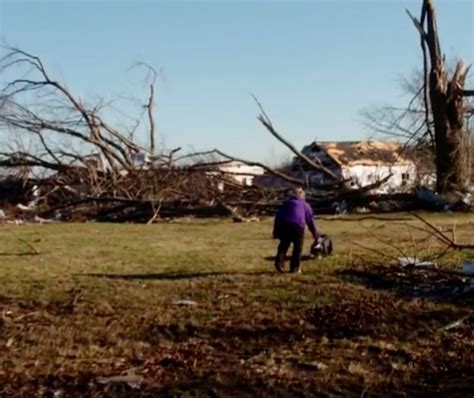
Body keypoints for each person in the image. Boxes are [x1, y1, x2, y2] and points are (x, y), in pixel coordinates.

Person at [273, 186, 319, 274]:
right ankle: (294, 268)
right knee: (298, 247)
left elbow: (278, 217)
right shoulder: (305, 205)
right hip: (298, 226)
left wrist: (276, 231)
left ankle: (279, 262)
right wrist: (316, 235)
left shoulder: (286, 203)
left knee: (284, 244)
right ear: (302, 195)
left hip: (285, 224)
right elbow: (310, 221)